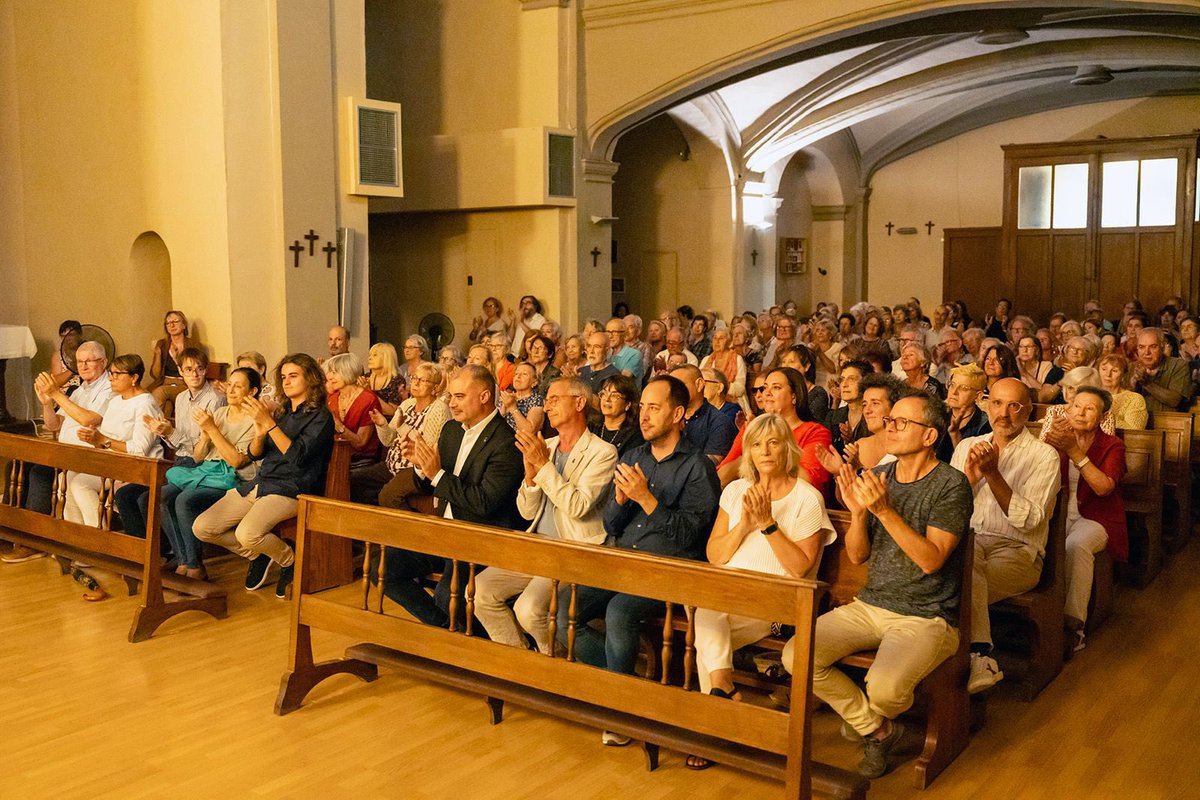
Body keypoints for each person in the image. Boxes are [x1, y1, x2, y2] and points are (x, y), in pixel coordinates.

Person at [795, 391, 971, 779]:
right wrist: (858, 516)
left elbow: (931, 560)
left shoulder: (950, 485)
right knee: (797, 654)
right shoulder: (878, 477)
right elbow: (857, 556)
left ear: (929, 436)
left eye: (901, 423)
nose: (890, 427)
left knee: (885, 690)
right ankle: (877, 729)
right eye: (889, 421)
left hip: (926, 615)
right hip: (870, 604)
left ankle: (868, 718)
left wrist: (884, 511)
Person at [555, 375, 720, 744]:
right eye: (642, 406)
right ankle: (629, 689)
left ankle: (622, 711)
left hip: (669, 568)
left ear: (678, 413)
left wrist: (646, 499)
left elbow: (691, 537)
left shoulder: (697, 467)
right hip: (623, 561)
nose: (643, 416)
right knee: (565, 607)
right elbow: (613, 525)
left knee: (619, 612)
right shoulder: (634, 456)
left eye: (654, 407)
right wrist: (620, 501)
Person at [685, 413, 835, 770]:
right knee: (708, 617)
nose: (765, 451)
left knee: (706, 624)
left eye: (773, 442)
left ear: (788, 448)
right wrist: (744, 526)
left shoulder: (807, 499)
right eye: (755, 444)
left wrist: (768, 524)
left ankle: (717, 709)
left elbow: (800, 568)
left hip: (775, 605)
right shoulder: (736, 490)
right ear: (748, 452)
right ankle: (722, 697)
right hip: (726, 594)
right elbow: (715, 555)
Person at [473, 377, 617, 653]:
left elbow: (577, 506)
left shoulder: (602, 452)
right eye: (546, 399)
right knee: (480, 591)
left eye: (554, 399)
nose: (547, 405)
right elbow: (526, 511)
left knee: (528, 610)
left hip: (573, 550)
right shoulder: (547, 446)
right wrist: (529, 479)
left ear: (579, 403)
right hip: (538, 545)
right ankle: (520, 661)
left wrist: (542, 465)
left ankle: (553, 661)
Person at [379, 365, 525, 628]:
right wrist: (421, 469)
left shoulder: (505, 442)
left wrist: (436, 475)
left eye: (459, 396)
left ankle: (462, 638)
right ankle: (446, 631)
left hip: (480, 538)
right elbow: (435, 485)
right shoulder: (451, 431)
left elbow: (484, 503)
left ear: (484, 396)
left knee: (448, 596)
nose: (451, 403)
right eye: (450, 396)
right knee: (384, 569)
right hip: (444, 532)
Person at [193, 353, 335, 600]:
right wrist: (260, 432)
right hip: (262, 482)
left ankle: (289, 560)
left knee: (246, 533)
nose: (287, 381)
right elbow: (254, 454)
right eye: (283, 377)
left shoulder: (321, 416)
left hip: (293, 487)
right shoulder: (281, 413)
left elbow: (298, 457)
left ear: (310, 379)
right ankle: (259, 555)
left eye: (293, 376)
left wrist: (268, 424)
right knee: (203, 527)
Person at [951, 378, 1060, 694]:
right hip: (972, 544)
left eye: (1014, 406)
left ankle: (960, 667)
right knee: (964, 562)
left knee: (957, 578)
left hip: (1017, 552)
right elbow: (945, 512)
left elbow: (1028, 521)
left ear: (1027, 411)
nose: (1004, 414)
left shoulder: (1044, 456)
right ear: (985, 404)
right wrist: (968, 482)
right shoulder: (965, 447)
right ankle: (977, 656)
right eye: (997, 403)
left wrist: (992, 475)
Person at [3, 343, 114, 565]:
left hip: (90, 457)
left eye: (89, 361)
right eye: (80, 362)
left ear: (102, 362)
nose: (83, 366)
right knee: (17, 465)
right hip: (66, 454)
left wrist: (56, 394)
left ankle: (35, 541)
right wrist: (46, 403)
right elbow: (54, 425)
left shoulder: (109, 388)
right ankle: (13, 532)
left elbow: (89, 420)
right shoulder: (80, 389)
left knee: (40, 474)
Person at [67, 354, 164, 600]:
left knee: (85, 484)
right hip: (113, 464)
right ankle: (89, 543)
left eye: (116, 374)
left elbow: (140, 448)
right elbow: (106, 435)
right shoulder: (115, 400)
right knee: (74, 482)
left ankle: (106, 545)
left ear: (134, 378)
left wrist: (103, 441)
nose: (110, 378)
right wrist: (95, 439)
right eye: (110, 373)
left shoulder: (145, 403)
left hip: (139, 468)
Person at [114, 346, 226, 547]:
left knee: (156, 499)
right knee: (136, 497)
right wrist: (165, 431)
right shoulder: (182, 398)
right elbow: (180, 441)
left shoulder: (215, 399)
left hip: (202, 464)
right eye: (189, 369)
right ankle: (166, 553)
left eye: (199, 368)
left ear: (206, 370)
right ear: (181, 371)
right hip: (181, 460)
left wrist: (171, 433)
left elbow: (203, 448)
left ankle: (185, 558)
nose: (195, 374)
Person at [1041, 387, 1126, 651]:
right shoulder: (1054, 439)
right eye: (1076, 406)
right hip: (1057, 514)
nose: (1081, 412)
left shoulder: (1113, 445)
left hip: (1097, 518)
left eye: (1090, 408)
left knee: (1076, 545)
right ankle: (1042, 612)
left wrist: (1075, 452)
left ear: (1101, 416)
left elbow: (1103, 488)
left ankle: (1072, 626)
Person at [165, 367, 262, 581]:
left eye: (239, 386)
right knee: (160, 496)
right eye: (231, 384)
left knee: (184, 500)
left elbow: (236, 461)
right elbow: (198, 457)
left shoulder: (254, 420)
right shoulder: (219, 413)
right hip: (205, 471)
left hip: (231, 479)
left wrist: (213, 430)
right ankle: (183, 559)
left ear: (253, 391)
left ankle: (194, 566)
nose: (231, 390)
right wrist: (206, 434)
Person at [718, 367, 833, 497]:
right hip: (753, 499)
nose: (766, 393)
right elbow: (721, 478)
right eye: (765, 388)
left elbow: (809, 482)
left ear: (794, 396)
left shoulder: (816, 432)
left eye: (776, 387)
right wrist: (751, 454)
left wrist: (757, 457)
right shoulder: (752, 428)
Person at [359, 362, 451, 509]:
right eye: (414, 378)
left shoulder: (439, 410)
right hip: (392, 464)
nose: (416, 383)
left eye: (423, 380)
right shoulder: (407, 404)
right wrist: (382, 424)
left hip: (416, 470)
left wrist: (402, 426)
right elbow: (388, 440)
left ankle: (412, 530)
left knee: (387, 497)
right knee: (356, 480)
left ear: (435, 388)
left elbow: (425, 450)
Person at [669, 364, 737, 463]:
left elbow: (708, 468)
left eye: (680, 385)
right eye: (671, 387)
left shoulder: (719, 422)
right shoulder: (667, 417)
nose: (673, 391)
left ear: (699, 384)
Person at [325, 352, 381, 466]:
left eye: (334, 372)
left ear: (348, 372)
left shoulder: (368, 400)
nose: (329, 377)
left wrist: (340, 427)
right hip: (335, 457)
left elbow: (361, 443)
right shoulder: (331, 398)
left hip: (360, 460)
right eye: (329, 372)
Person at [145, 310, 203, 409]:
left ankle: (154, 422)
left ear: (184, 325)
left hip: (184, 384)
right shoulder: (162, 344)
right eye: (168, 323)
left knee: (160, 392)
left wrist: (176, 359)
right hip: (165, 382)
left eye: (175, 321)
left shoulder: (193, 344)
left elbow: (196, 370)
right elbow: (155, 375)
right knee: (164, 405)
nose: (171, 325)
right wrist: (158, 354)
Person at [1037, 367, 1116, 438]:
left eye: (1080, 390)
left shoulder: (1105, 416)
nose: (1073, 394)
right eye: (1070, 388)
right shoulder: (1054, 410)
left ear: (1093, 392)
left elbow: (1105, 449)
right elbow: (1043, 445)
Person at [1130, 328, 1191, 413]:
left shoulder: (1179, 366)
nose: (1147, 352)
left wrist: (1147, 383)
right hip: (1135, 423)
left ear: (1162, 348)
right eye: (1141, 347)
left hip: (1170, 423)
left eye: (1153, 347)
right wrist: (1132, 387)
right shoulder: (1131, 367)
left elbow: (1175, 401)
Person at [590, 374, 644, 456]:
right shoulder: (591, 427)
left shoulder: (635, 436)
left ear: (628, 404)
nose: (607, 400)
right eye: (604, 394)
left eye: (614, 396)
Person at [825, 360, 872, 453]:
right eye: (842, 380)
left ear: (866, 382)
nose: (844, 385)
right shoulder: (833, 417)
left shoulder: (873, 417)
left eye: (851, 379)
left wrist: (852, 440)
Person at [945, 363, 991, 448]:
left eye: (963, 388)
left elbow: (970, 460)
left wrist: (955, 436)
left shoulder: (985, 425)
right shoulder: (938, 414)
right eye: (952, 385)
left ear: (978, 395)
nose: (954, 392)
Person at [1097, 354, 1148, 430]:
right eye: (1104, 369)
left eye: (1114, 371)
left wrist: (1103, 417)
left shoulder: (1134, 399)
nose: (1108, 374)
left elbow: (1135, 430)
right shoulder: (1091, 396)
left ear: (1123, 376)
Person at [700, 326, 746, 406]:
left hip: (733, 400)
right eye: (715, 338)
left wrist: (718, 389)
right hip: (708, 400)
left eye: (721, 338)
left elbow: (740, 388)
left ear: (729, 342)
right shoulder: (706, 360)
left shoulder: (737, 359)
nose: (717, 341)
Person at [499, 361, 545, 434]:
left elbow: (529, 431)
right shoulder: (507, 397)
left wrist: (512, 408)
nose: (518, 376)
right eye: (516, 374)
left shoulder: (536, 400)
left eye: (524, 374)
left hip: (518, 443)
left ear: (534, 382)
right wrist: (503, 409)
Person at [1016, 336, 1063, 404]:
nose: (1024, 350)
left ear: (1037, 350)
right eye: (1021, 347)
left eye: (1028, 347)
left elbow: (1044, 392)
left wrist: (1025, 374)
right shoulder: (1014, 366)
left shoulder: (1046, 365)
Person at [367, 342, 407, 417]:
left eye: (375, 355)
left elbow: (392, 412)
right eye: (370, 355)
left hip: (387, 424)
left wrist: (368, 391)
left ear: (386, 358)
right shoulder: (366, 378)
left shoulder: (397, 380)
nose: (369, 358)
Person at [604, 317, 644, 384]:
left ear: (624, 334)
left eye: (614, 332)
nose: (610, 336)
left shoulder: (634, 354)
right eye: (608, 332)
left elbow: (622, 381)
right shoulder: (606, 353)